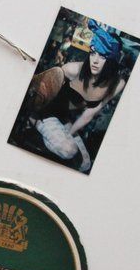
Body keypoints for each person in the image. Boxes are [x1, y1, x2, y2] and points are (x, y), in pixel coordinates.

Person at [31, 20, 126, 171]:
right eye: (93, 53)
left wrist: (69, 134)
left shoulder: (118, 83)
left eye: (102, 56)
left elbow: (90, 113)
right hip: (45, 114)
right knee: (69, 150)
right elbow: (40, 91)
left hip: (65, 117)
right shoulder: (72, 69)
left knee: (85, 164)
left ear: (113, 60)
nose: (95, 61)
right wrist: (35, 117)